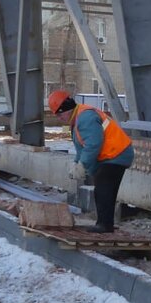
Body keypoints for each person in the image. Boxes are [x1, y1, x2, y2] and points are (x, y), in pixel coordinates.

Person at [48, 90, 133, 233]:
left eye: (60, 114)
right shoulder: (77, 120)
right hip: (112, 155)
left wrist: (83, 165)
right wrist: (77, 164)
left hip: (116, 154)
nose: (59, 118)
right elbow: (83, 148)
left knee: (103, 189)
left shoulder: (85, 117)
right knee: (104, 189)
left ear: (67, 109)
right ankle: (105, 224)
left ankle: (104, 226)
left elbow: (93, 144)